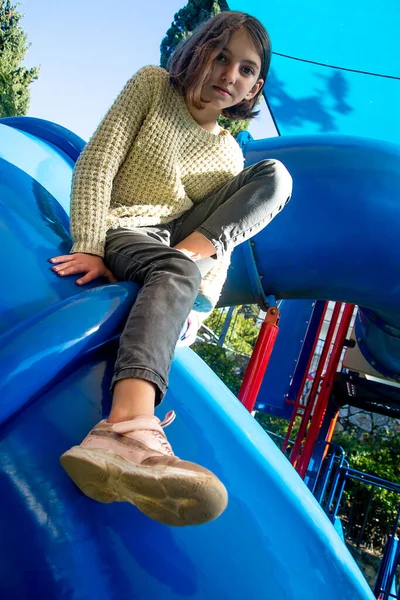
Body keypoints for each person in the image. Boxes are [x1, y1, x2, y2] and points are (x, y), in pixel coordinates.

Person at [51, 11, 292, 528]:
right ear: (197, 50)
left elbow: (218, 245)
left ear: (256, 86)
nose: (230, 75)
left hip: (174, 251)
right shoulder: (152, 86)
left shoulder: (230, 153)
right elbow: (98, 162)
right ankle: (124, 428)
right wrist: (91, 243)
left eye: (247, 69)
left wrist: (196, 305)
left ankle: (175, 280)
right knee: (174, 268)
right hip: (125, 231)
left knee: (275, 176)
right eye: (221, 56)